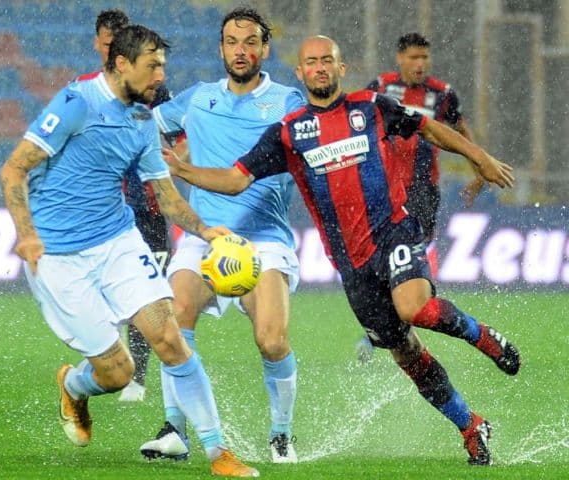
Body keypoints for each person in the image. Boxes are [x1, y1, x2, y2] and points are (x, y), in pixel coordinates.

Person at [162, 35, 521, 466]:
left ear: (340, 67)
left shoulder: (371, 107)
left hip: (393, 231)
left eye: (327, 61)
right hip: (351, 264)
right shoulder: (289, 133)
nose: (319, 68)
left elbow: (427, 127)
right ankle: (470, 425)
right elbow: (237, 180)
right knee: (406, 352)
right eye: (311, 62)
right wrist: (182, 169)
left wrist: (477, 155)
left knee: (415, 308)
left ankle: (483, 337)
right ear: (300, 72)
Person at [0, 25, 258, 478]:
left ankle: (219, 453)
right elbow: (13, 169)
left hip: (118, 240)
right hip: (58, 256)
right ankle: (74, 385)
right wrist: (26, 234)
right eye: (152, 65)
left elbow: (168, 198)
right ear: (121, 64)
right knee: (118, 372)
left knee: (169, 338)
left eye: (162, 65)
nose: (161, 75)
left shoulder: (142, 121)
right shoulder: (77, 103)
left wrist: (206, 232)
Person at [139, 7, 306, 464]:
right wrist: (160, 152)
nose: (240, 50)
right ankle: (175, 429)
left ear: (264, 49)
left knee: (272, 339)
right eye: (232, 41)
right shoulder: (198, 98)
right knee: (174, 317)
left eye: (250, 41)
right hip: (204, 234)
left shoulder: (288, 103)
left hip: (264, 237)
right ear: (220, 48)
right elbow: (145, 124)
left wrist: (181, 165)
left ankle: (281, 434)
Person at [356, 32, 485, 362]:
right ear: (400, 59)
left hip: (423, 191)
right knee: (381, 255)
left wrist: (479, 168)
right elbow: (358, 125)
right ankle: (386, 321)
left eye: (424, 58)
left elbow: (460, 130)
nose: (420, 64)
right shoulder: (381, 87)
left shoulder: (442, 95)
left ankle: (415, 305)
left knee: (415, 253)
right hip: (384, 187)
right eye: (413, 57)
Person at [76, 8, 178, 402]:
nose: (111, 47)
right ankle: (109, 358)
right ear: (99, 45)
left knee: (146, 293)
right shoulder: (85, 92)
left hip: (148, 210)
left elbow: (174, 140)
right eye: (106, 42)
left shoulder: (155, 90)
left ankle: (137, 374)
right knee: (100, 293)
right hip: (100, 211)